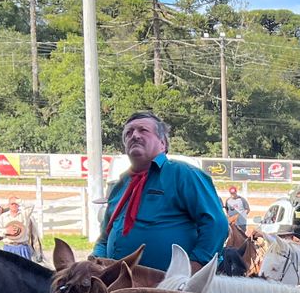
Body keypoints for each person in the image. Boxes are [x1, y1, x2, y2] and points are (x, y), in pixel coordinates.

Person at [94, 112, 227, 270]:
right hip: (118, 285)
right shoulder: (120, 186)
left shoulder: (183, 174)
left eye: (143, 130)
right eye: (128, 133)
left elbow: (216, 224)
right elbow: (105, 236)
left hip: (169, 288)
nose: (134, 135)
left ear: (163, 143)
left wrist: (195, 267)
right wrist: (95, 260)